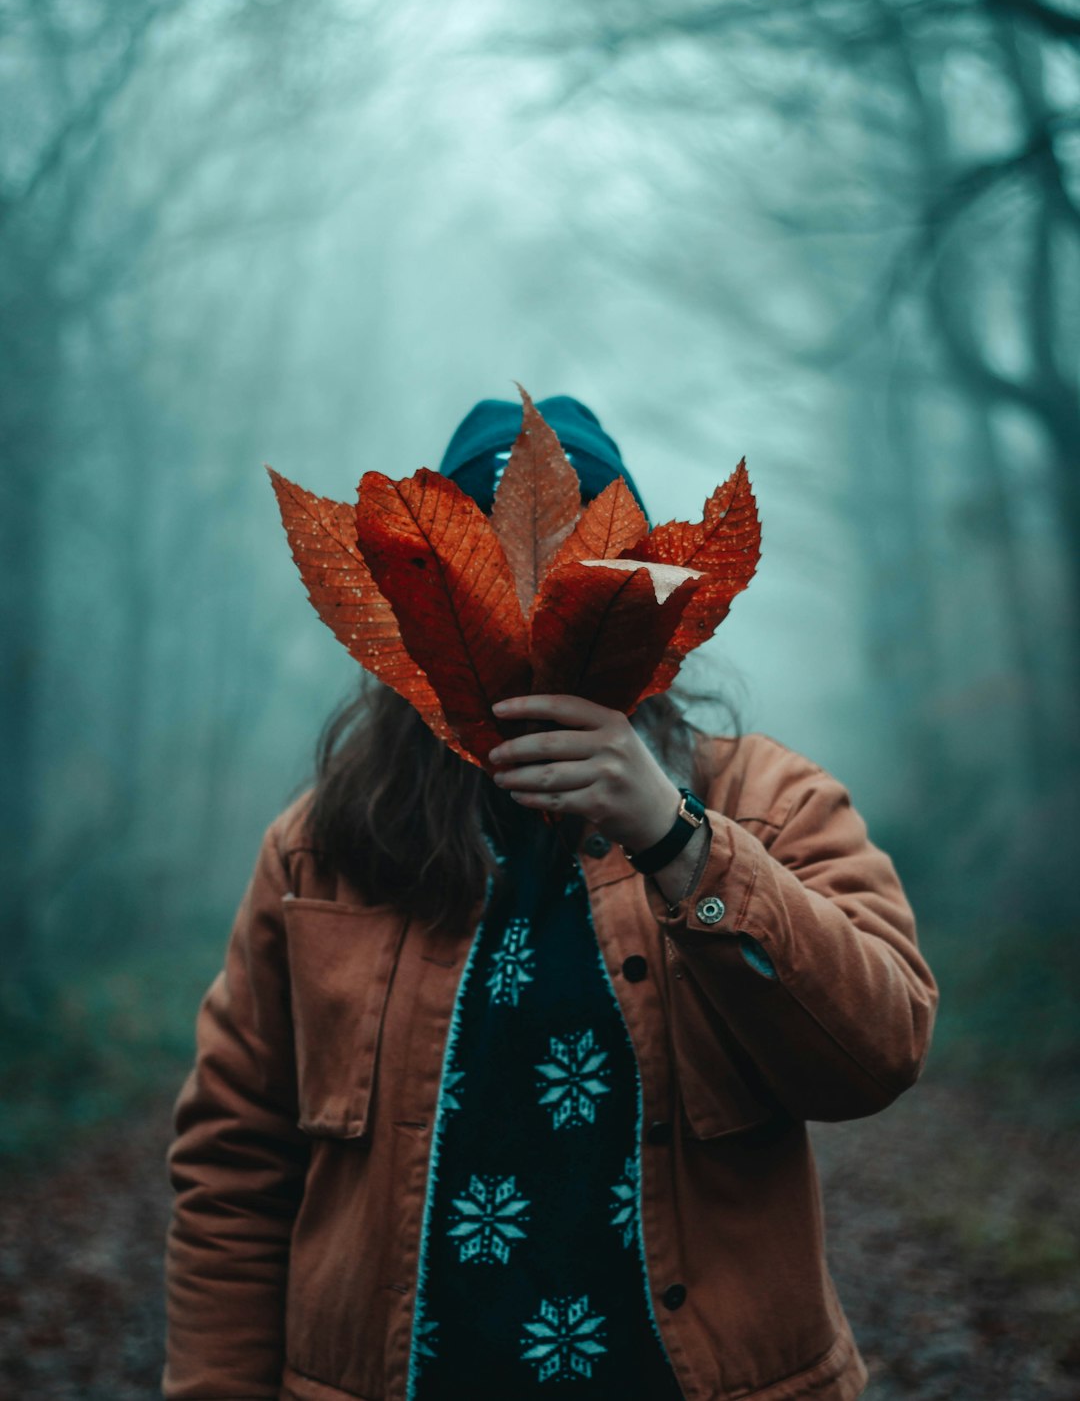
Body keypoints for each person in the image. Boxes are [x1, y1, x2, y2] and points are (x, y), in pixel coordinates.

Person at [163, 394, 938, 1401]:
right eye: (490, 599)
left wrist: (675, 837)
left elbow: (875, 1056)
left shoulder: (769, 803)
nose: (534, 636)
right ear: (425, 616)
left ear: (646, 615)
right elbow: (234, 1162)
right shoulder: (325, 849)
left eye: (581, 601)